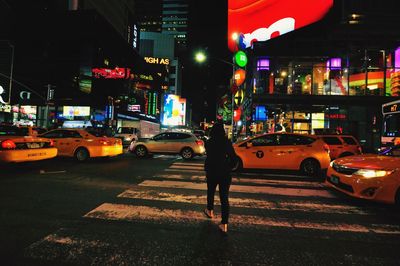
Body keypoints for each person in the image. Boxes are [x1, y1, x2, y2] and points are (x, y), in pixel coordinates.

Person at [203, 123, 237, 233]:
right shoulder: (226, 142)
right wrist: (229, 167)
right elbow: (234, 158)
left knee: (211, 191)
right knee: (224, 198)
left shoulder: (209, 143)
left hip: (212, 171)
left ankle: (210, 210)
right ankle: (224, 223)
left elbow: (209, 155)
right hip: (224, 172)